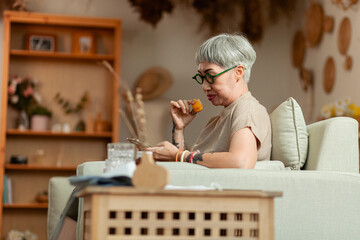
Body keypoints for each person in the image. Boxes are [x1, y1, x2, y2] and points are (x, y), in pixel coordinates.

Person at [148, 33, 271, 168]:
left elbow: (241, 161)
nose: (204, 87)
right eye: (202, 77)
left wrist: (179, 155)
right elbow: (188, 166)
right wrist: (179, 129)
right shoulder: (219, 119)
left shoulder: (246, 109)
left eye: (211, 76)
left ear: (238, 72)